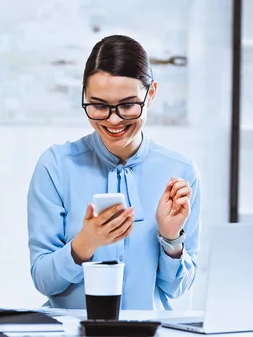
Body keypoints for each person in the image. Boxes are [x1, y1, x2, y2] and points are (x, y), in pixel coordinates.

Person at [27, 34, 201, 311]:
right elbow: (43, 280)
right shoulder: (56, 166)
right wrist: (86, 243)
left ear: (151, 94)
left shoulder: (180, 171)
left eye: (128, 105)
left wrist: (170, 238)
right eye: (98, 105)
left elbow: (177, 288)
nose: (113, 119)